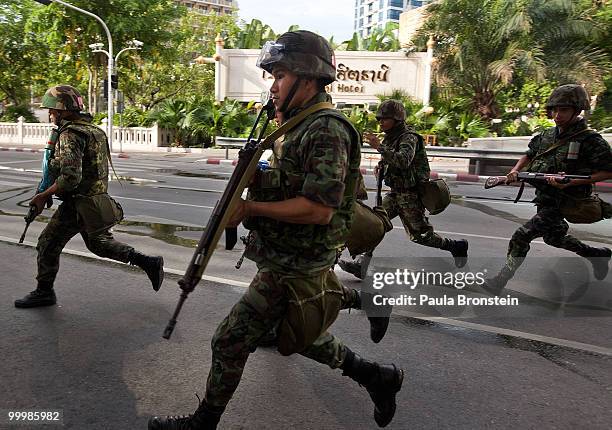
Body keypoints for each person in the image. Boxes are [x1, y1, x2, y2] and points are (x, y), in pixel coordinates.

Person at [148, 31, 403, 430]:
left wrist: (250, 207)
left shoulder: (326, 129)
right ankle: (378, 374)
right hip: (286, 255)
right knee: (295, 335)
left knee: (231, 339)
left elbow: (319, 209)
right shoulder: (297, 126)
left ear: (308, 76)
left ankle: (203, 423)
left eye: (280, 75)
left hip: (297, 263)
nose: (273, 85)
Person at [14, 85, 164, 308]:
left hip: (78, 204)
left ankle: (44, 292)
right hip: (95, 202)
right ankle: (148, 262)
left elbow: (70, 178)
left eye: (52, 110)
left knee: (47, 243)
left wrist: (42, 195)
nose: (49, 114)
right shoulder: (94, 131)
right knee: (99, 245)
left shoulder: (69, 134)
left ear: (63, 110)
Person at [484, 84, 612, 294]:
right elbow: (529, 154)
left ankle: (499, 281)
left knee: (521, 236)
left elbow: (608, 171)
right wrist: (514, 171)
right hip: (546, 199)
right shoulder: (547, 135)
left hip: (569, 200)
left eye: (563, 110)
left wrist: (572, 182)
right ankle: (596, 254)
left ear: (577, 111)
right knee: (554, 238)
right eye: (554, 109)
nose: (557, 115)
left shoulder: (590, 140)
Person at [339, 99, 468, 279]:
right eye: (379, 119)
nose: (381, 122)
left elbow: (403, 160)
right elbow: (391, 161)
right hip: (395, 193)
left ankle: (456, 246)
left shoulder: (409, 137)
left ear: (397, 119)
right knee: (375, 224)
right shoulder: (391, 137)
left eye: (385, 119)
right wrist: (381, 167)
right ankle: (362, 263)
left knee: (420, 236)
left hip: (411, 194)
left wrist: (379, 147)